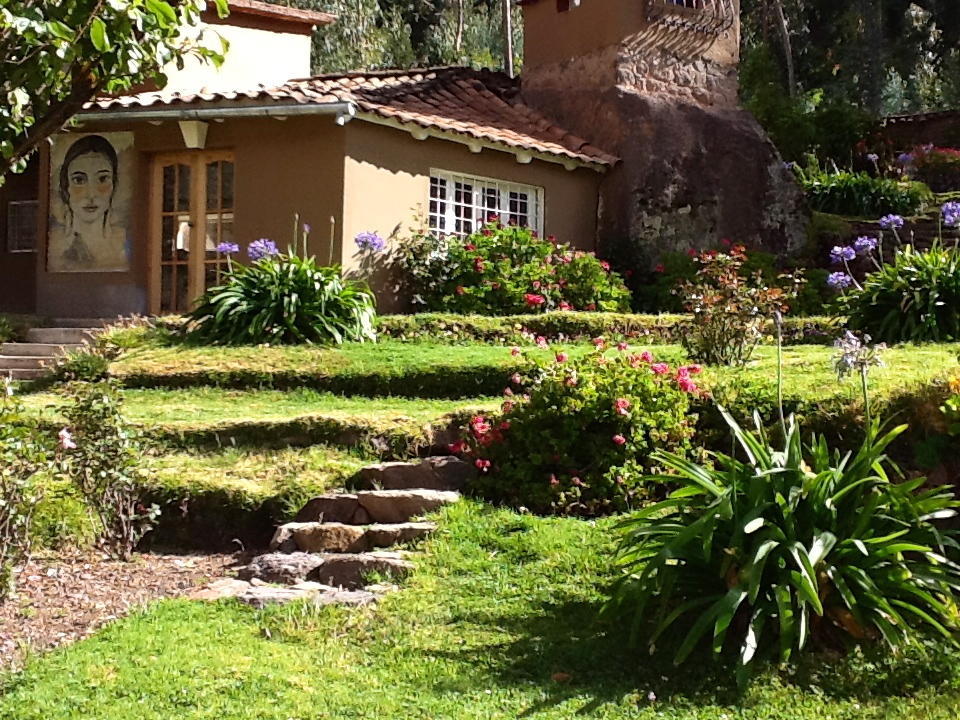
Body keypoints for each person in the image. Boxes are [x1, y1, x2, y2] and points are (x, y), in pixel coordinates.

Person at [49, 135, 129, 272]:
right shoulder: (54, 243)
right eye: (79, 180)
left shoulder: (125, 241)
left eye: (102, 179)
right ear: (66, 186)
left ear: (114, 185)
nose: (91, 194)